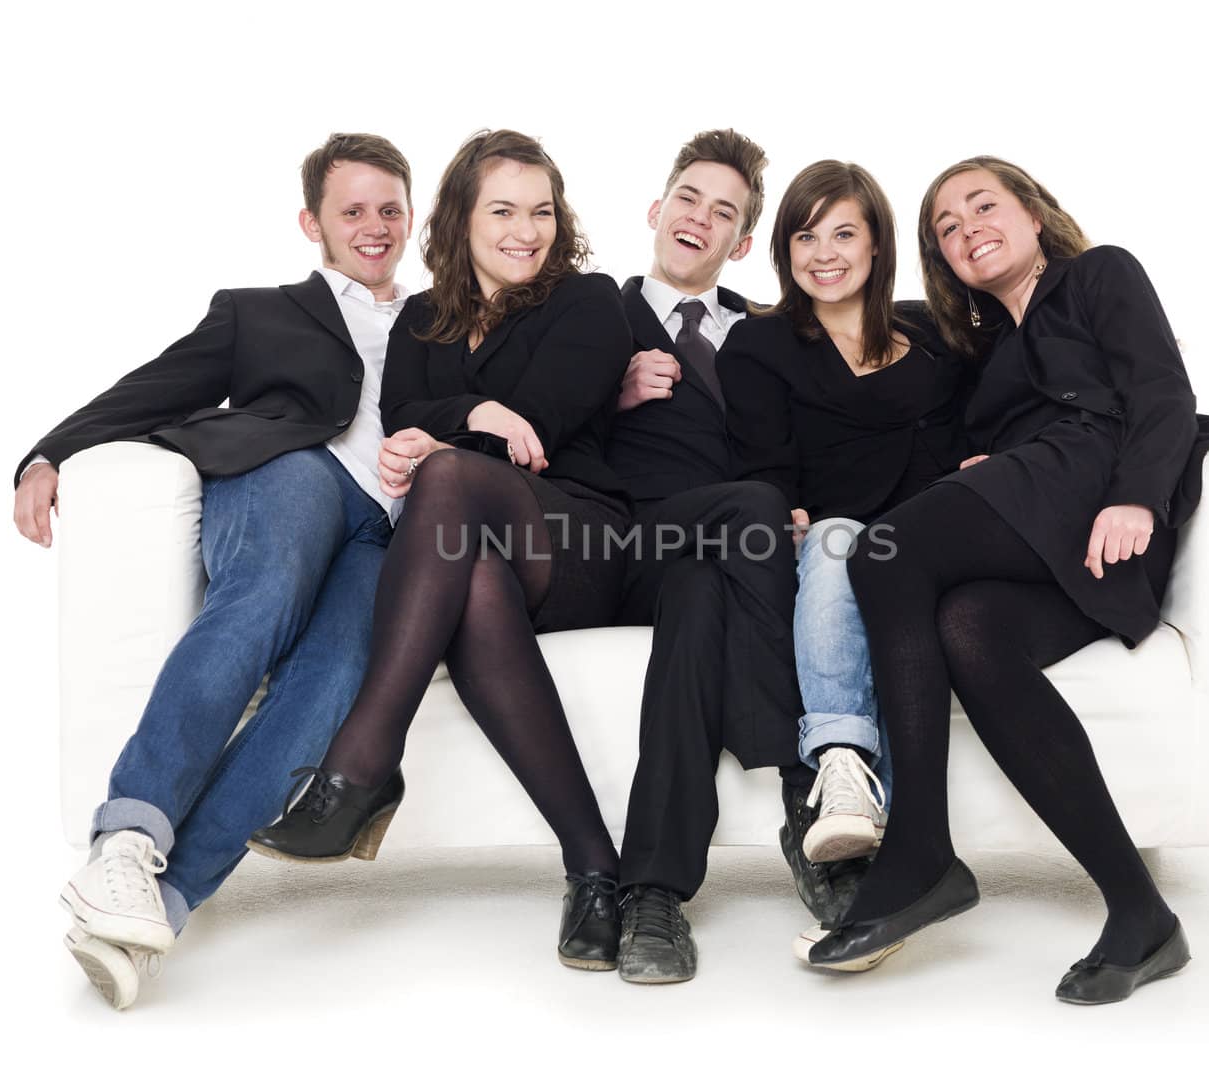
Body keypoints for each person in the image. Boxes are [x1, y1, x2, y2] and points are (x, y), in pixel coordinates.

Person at [801, 156, 1209, 1002]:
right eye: (946, 225)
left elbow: (1163, 389)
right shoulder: (982, 348)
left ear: (1034, 215)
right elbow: (881, 353)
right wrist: (993, 462)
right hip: (1040, 517)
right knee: (968, 629)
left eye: (984, 206)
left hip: (1099, 506)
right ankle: (1141, 912)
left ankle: (919, 853)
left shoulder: (1099, 274)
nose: (967, 226)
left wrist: (1136, 500)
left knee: (884, 551)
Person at [15, 133, 416, 1009]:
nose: (375, 226)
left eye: (390, 208)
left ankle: (159, 900)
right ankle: (127, 835)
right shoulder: (257, 310)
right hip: (291, 473)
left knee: (340, 674)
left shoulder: (443, 321)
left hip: (389, 529)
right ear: (313, 222)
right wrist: (48, 453)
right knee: (266, 590)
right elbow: (154, 387)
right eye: (353, 210)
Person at [248, 130, 633, 973]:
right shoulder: (423, 317)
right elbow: (397, 423)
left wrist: (459, 422)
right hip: (473, 549)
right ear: (460, 219)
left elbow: (535, 433)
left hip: (581, 538)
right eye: (502, 210)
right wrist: (470, 418)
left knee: (450, 479)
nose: (526, 230)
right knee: (474, 581)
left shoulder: (590, 301)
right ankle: (595, 868)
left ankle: (363, 761)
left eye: (541, 211)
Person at [605, 130, 844, 984]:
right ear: (656, 210)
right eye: (688, 200)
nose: (699, 220)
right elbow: (538, 424)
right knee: (752, 507)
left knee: (706, 594)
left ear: (742, 242)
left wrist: (805, 507)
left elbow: (816, 436)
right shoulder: (596, 312)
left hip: (723, 560)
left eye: (724, 213)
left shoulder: (772, 333)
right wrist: (613, 390)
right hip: (622, 540)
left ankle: (654, 896)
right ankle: (795, 784)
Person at [715, 161, 970, 939]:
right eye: (805, 233)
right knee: (834, 541)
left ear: (877, 243)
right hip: (836, 550)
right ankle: (842, 771)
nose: (824, 252)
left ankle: (901, 866)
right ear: (784, 248)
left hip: (939, 541)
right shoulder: (759, 346)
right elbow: (772, 481)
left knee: (878, 556)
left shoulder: (935, 331)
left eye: (844, 233)